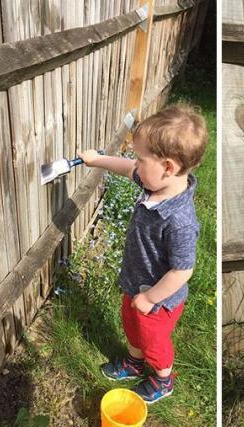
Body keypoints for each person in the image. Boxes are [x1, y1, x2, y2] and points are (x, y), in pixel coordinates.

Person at [78, 103, 207, 403]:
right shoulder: (155, 185)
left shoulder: (180, 221)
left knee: (153, 340)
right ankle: (135, 363)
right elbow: (128, 170)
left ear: (168, 167)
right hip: (136, 281)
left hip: (160, 299)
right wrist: (98, 160)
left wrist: (151, 298)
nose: (135, 164)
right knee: (131, 323)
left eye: (140, 158)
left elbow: (182, 270)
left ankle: (163, 380)